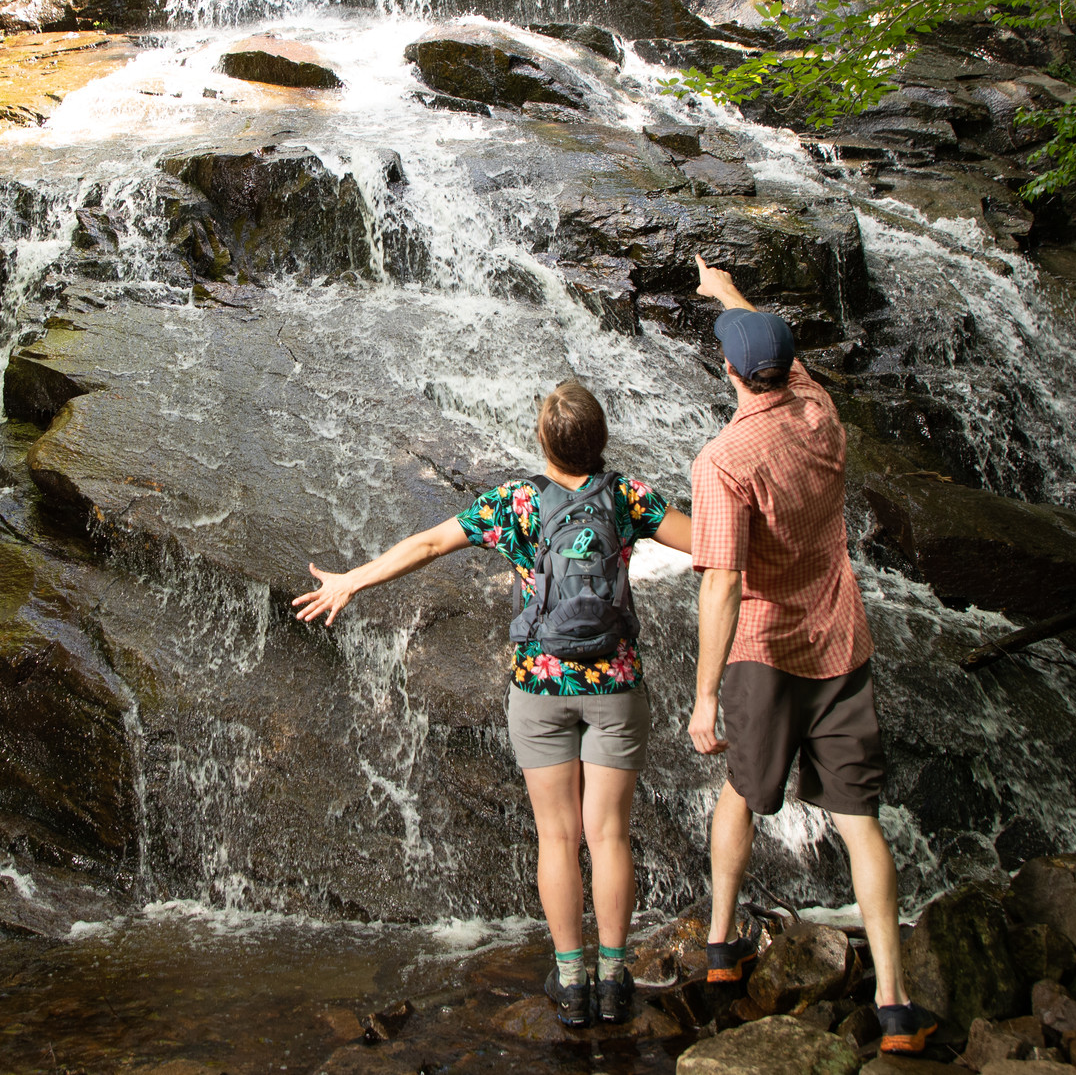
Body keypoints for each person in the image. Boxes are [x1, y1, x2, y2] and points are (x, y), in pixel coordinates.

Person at [294, 382, 693, 1027]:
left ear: (543, 442)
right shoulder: (626, 497)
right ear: (602, 439)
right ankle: (615, 979)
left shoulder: (517, 501)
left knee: (558, 837)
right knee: (610, 833)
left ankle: (570, 981)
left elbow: (425, 545)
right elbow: (708, 544)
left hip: (540, 686)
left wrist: (352, 580)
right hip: (616, 684)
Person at [683, 255, 937, 1054]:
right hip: (839, 641)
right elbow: (771, 351)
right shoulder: (819, 408)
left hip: (765, 649)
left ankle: (721, 945)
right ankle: (895, 1003)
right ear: (786, 368)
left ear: (729, 371)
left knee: (740, 794)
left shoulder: (724, 461)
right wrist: (726, 291)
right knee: (860, 821)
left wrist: (703, 695)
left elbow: (722, 583)